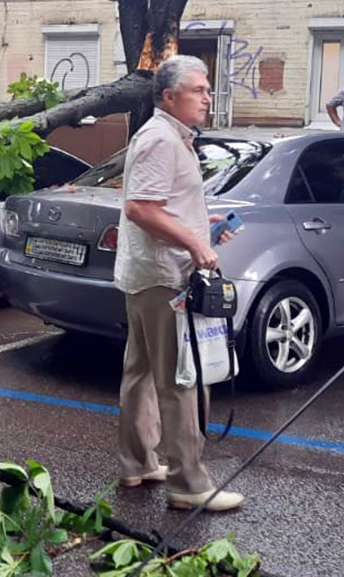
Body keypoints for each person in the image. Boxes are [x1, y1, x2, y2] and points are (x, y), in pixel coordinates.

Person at [113, 55, 244, 512]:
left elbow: (159, 205)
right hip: (165, 278)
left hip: (149, 275)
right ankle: (189, 485)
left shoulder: (167, 136)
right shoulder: (162, 139)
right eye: (198, 90)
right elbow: (140, 208)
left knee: (142, 374)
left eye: (207, 89)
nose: (207, 97)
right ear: (169, 97)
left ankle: (137, 463)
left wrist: (202, 223)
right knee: (183, 379)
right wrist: (194, 242)